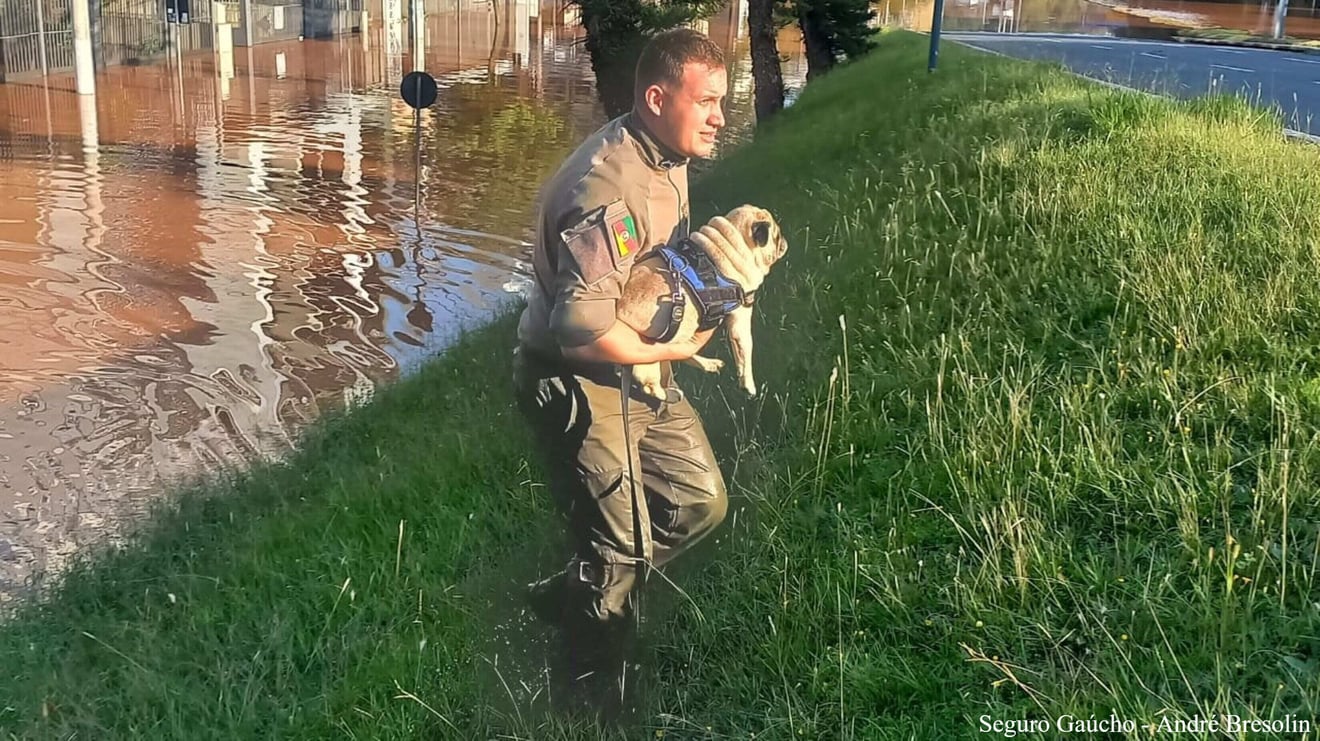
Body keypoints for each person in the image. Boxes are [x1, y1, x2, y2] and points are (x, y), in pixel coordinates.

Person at [510, 27, 737, 714]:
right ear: (658, 97)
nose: (720, 117)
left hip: (636, 367)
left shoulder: (667, 150)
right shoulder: (608, 188)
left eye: (722, 101)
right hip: (576, 378)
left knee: (700, 502)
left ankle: (583, 587)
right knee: (624, 543)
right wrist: (668, 351)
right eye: (707, 102)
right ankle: (585, 699)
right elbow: (577, 334)